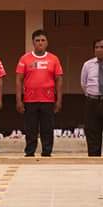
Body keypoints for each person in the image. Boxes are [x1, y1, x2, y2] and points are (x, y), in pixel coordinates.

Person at [16, 29, 63, 157]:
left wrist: (59, 100)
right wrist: (19, 100)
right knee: (30, 128)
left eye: (43, 40)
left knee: (47, 128)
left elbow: (59, 80)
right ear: (33, 42)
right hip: (30, 100)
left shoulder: (54, 59)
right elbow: (19, 80)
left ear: (47, 42)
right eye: (37, 40)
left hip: (48, 100)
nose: (40, 43)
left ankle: (47, 152)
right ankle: (30, 152)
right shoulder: (25, 59)